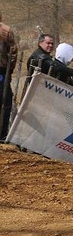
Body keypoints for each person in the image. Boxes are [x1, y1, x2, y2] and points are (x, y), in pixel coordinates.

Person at [0, 11, 18, 141]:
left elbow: (13, 52)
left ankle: (2, 134)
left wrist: (9, 72)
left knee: (6, 101)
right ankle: (2, 133)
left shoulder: (5, 31)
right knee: (5, 102)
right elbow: (13, 53)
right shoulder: (6, 30)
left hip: (2, 71)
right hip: (2, 71)